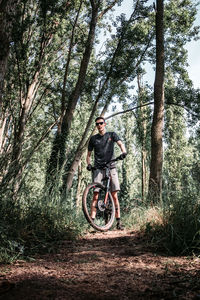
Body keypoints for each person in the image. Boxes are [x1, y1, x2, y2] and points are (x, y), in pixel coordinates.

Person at [86, 116, 127, 230]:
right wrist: (89, 164)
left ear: (105, 123)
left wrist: (124, 152)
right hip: (98, 168)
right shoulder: (93, 139)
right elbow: (88, 155)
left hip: (111, 166)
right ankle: (92, 224)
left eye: (101, 123)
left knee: (114, 195)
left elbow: (120, 144)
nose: (99, 125)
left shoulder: (111, 135)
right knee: (95, 195)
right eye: (97, 124)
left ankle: (118, 222)